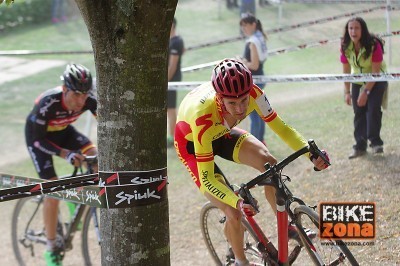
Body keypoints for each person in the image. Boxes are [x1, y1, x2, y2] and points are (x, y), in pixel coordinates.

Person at [174, 59, 329, 266]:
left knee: (270, 165)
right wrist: (236, 201)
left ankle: (288, 227)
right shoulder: (202, 117)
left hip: (221, 132)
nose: (239, 109)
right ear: (219, 98)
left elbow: (282, 129)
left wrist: (310, 154)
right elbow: (207, 178)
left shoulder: (255, 93)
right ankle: (240, 261)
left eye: (244, 101)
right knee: (233, 212)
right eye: (232, 103)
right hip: (193, 144)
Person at [25, 63, 97, 266]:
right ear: (65, 89)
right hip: (40, 139)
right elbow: (38, 141)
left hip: (64, 132)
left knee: (96, 159)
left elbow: (107, 122)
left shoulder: (88, 100)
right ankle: (51, 248)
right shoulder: (47, 103)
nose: (81, 100)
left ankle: (75, 195)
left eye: (85, 94)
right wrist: (64, 154)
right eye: (76, 94)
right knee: (53, 188)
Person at [340, 17, 388, 159]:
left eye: (357, 28)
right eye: (350, 28)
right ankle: (360, 146)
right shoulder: (345, 45)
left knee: (373, 109)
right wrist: (347, 92)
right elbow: (346, 70)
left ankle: (376, 143)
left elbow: (375, 72)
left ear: (363, 30)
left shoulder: (374, 44)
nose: (353, 31)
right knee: (358, 111)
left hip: (377, 79)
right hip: (357, 79)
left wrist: (366, 92)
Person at [238, 14, 268, 144]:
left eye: (246, 25)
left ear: (253, 25)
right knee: (260, 112)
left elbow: (254, 65)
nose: (244, 28)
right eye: (242, 26)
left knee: (255, 115)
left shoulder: (253, 41)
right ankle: (260, 141)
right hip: (259, 78)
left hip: (253, 80)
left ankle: (256, 144)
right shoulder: (260, 37)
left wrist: (240, 62)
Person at [167, 17, 185, 147]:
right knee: (169, 108)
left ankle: (173, 137)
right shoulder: (174, 41)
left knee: (171, 109)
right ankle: (172, 136)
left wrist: (166, 80)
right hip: (171, 78)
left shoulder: (176, 42)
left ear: (172, 24)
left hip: (171, 79)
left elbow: (172, 66)